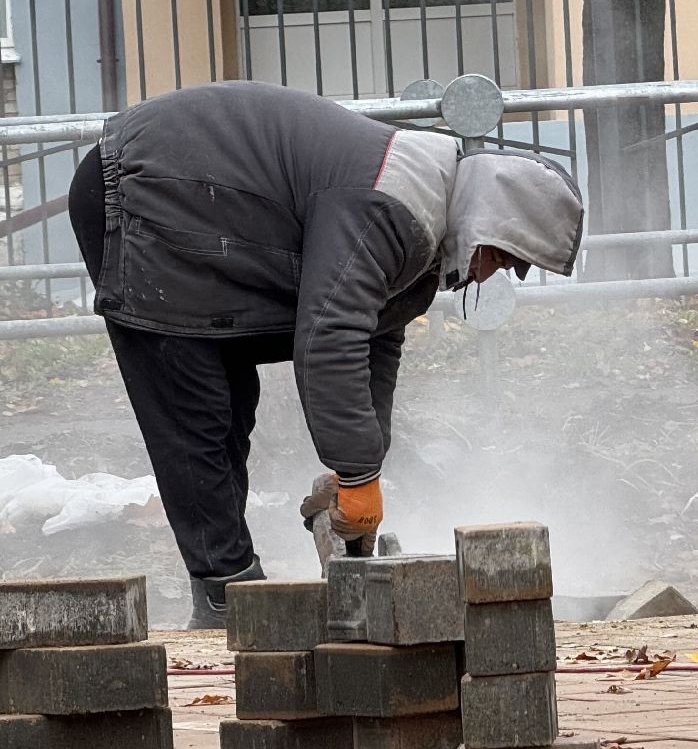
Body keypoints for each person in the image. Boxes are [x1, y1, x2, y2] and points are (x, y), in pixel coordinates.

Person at [68, 81, 584, 628]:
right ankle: (226, 594)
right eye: (505, 257)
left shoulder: (424, 216)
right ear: (488, 224)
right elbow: (328, 339)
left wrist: (360, 468)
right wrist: (358, 473)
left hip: (210, 207)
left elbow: (374, 341)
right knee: (196, 412)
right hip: (144, 185)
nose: (497, 273)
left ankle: (229, 590)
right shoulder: (392, 205)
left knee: (229, 408)